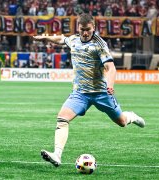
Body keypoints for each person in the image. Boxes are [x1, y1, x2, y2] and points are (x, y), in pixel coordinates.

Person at [32, 13, 146, 167]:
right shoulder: (73, 40)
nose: (85, 33)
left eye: (88, 30)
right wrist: (45, 38)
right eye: (82, 29)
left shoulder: (100, 44)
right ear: (78, 28)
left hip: (101, 92)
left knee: (121, 122)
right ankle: (57, 155)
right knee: (62, 118)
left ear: (93, 27)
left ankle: (131, 116)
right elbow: (61, 39)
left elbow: (111, 68)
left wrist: (110, 85)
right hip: (80, 93)